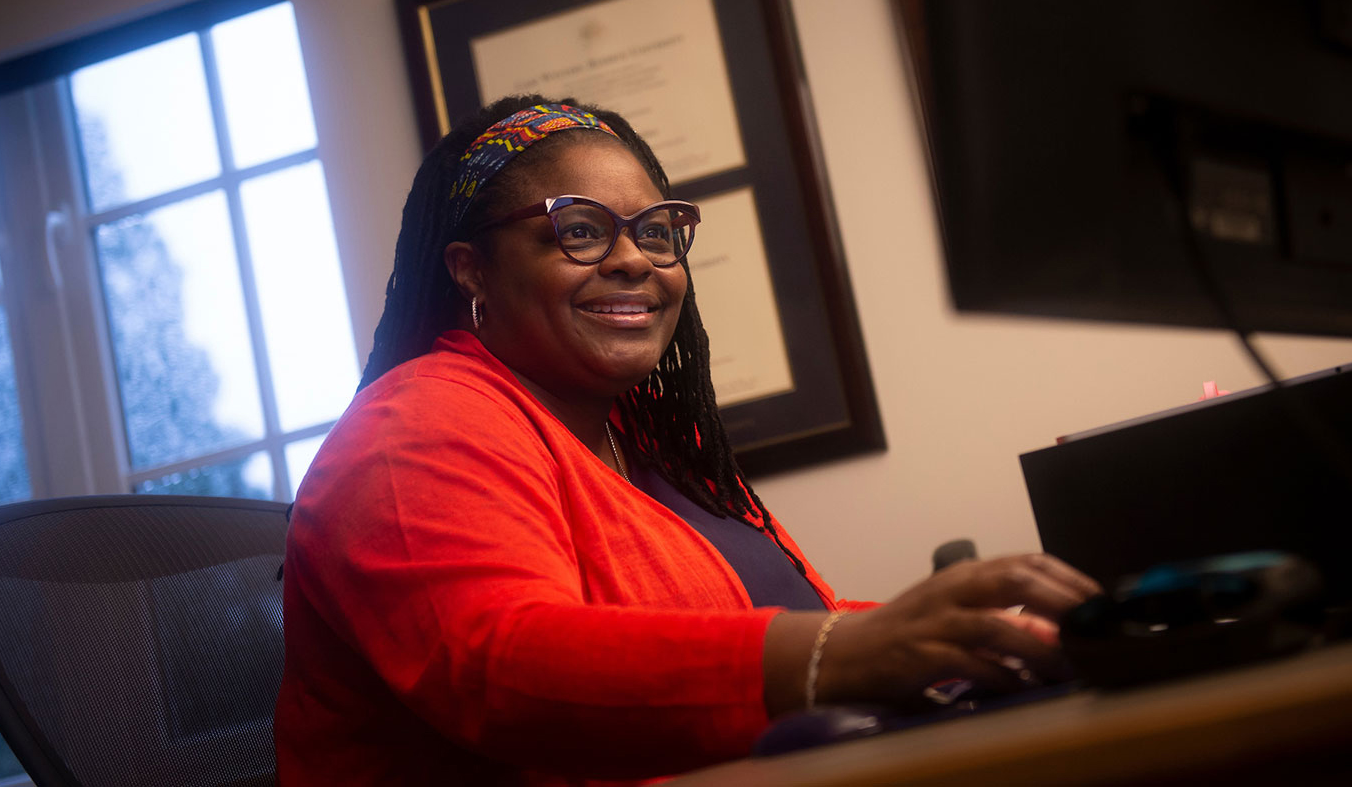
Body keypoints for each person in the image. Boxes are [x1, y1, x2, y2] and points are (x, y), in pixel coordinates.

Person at [273, 96, 1100, 786]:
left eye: (657, 230)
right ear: (471, 270)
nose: (636, 260)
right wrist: (833, 656)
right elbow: (504, 667)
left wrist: (972, 637)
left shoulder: (651, 440)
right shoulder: (408, 430)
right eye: (583, 229)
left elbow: (779, 623)